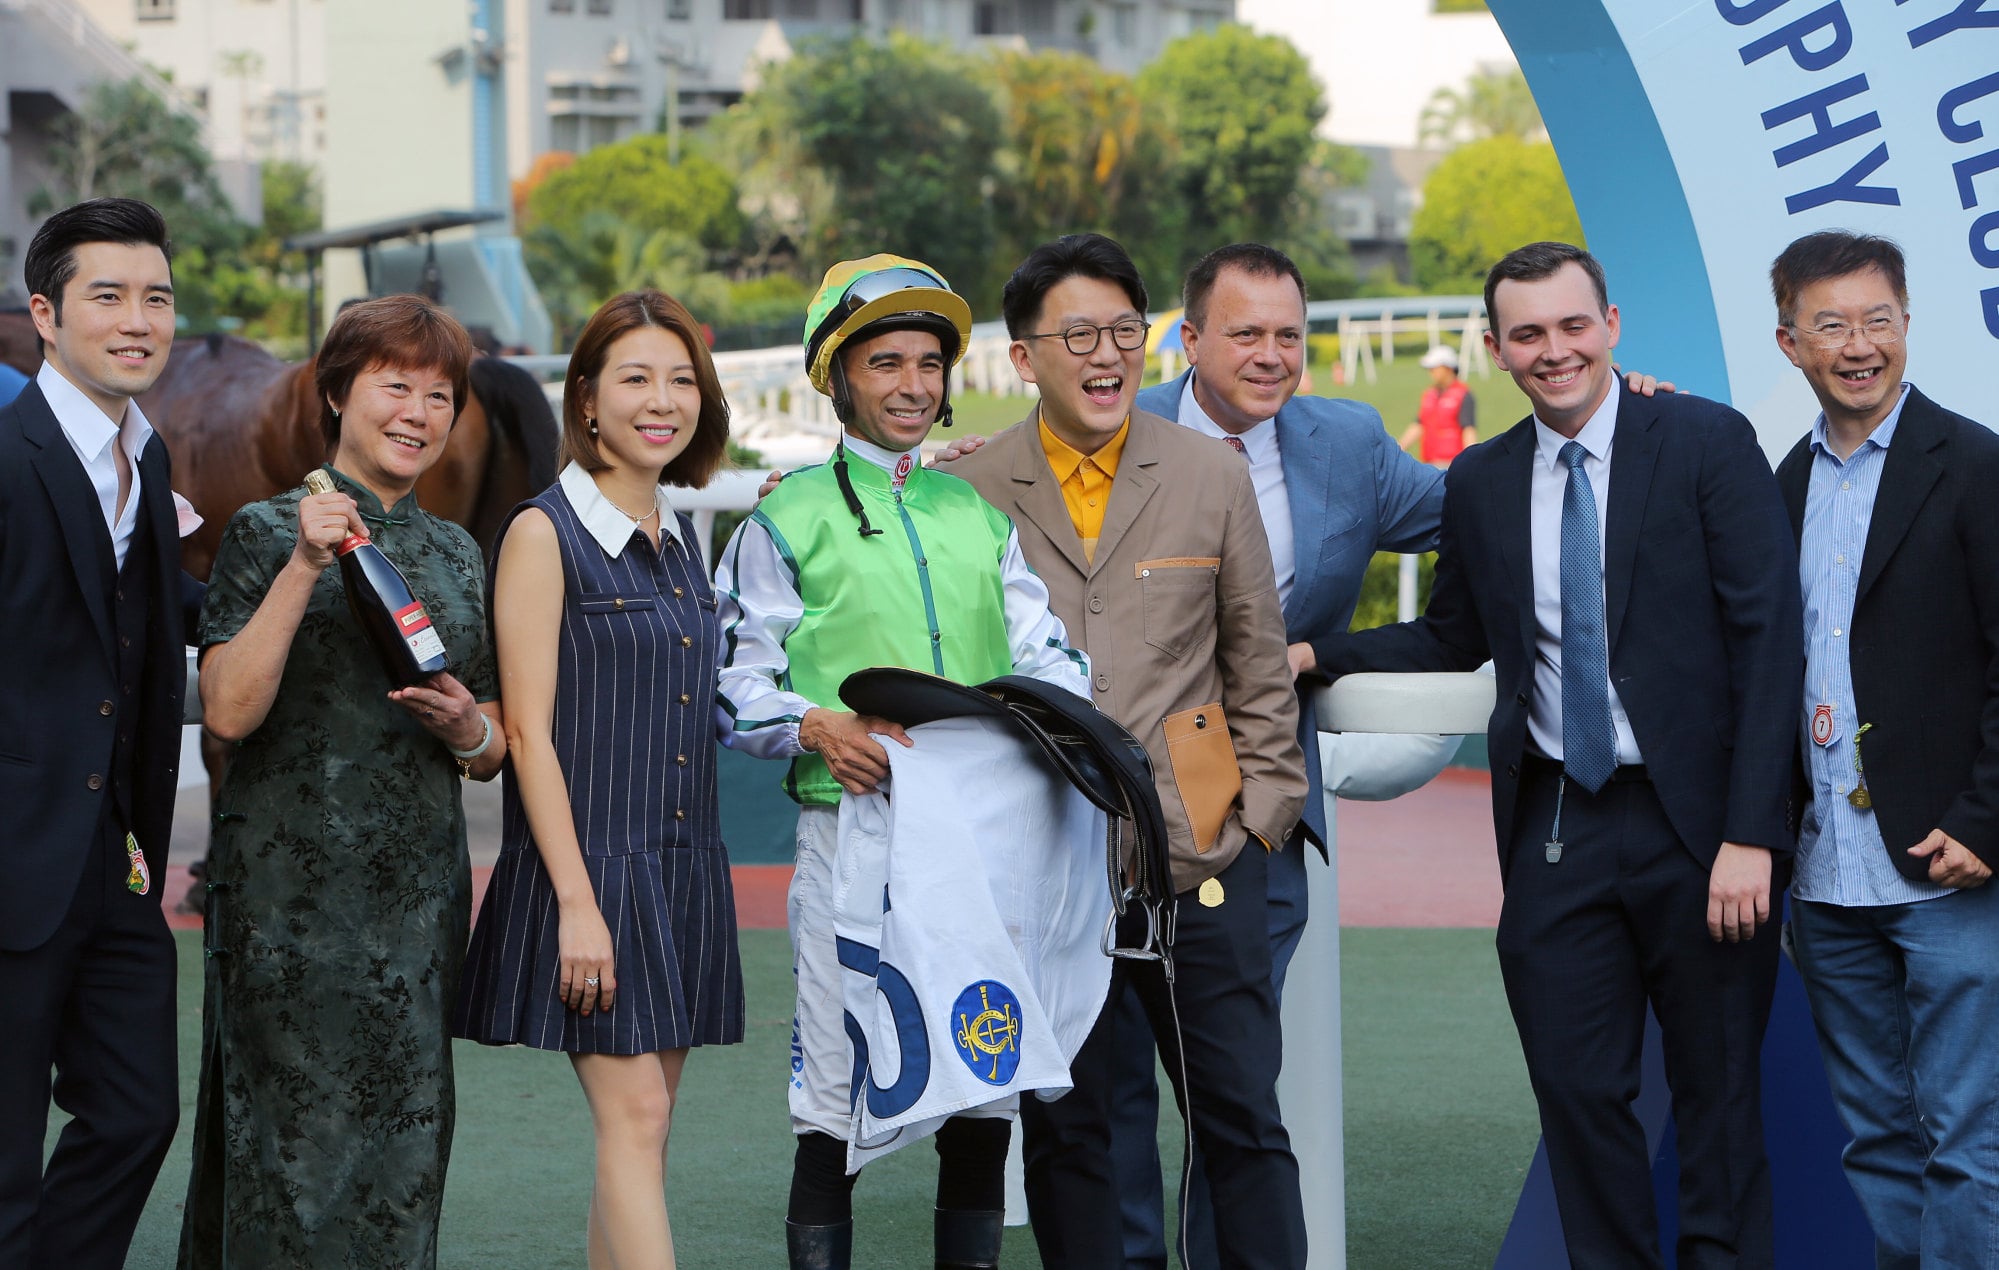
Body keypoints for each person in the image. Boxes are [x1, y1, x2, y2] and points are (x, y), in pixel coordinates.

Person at [1315, 241, 1800, 1268]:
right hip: (1558, 831)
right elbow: (1451, 636)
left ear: (1611, 325)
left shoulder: (1708, 442)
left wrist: (1752, 833)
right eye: (1527, 333)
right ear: (1495, 348)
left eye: (1572, 325)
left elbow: (1771, 645)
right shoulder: (1482, 481)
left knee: (1717, 1104)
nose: (1554, 350)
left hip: (1704, 833)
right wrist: (1317, 650)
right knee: (1579, 1096)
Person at [714, 255, 1089, 1270]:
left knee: (981, 1084)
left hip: (984, 843)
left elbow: (1051, 659)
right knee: (832, 1099)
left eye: (929, 362)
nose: (913, 385)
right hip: (854, 834)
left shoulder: (974, 515)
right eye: (885, 362)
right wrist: (814, 723)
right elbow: (734, 686)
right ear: (836, 377)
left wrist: (1065, 724)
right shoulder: (785, 518)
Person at [948, 233, 1309, 1270]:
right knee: (1077, 1132)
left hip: (1203, 853)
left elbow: (1256, 667)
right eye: (1076, 334)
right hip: (1053, 869)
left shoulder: (1208, 473)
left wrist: (1258, 821)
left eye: (1121, 330)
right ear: (1023, 358)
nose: (1105, 354)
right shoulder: (970, 493)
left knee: (1240, 1120)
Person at [179, 294, 506, 1267]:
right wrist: (303, 561)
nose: (417, 412)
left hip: (416, 899)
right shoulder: (263, 529)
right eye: (393, 385)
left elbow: (494, 745)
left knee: (406, 1144)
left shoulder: (456, 552)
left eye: (439, 394)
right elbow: (229, 710)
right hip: (285, 902)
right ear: (335, 392)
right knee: (287, 1152)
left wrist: (470, 725)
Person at [454, 289, 746, 1266]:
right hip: (591, 873)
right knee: (636, 1121)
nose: (662, 399)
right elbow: (527, 738)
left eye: (680, 380)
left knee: (644, 1132)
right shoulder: (543, 535)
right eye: (635, 378)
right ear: (584, 400)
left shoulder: (678, 534)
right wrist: (578, 905)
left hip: (681, 867)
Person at [1768, 230, 1999, 1268]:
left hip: (1947, 866)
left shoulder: (1977, 464)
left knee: (1969, 1142)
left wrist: (1985, 818)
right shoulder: (1782, 481)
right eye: (1831, 325)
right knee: (1879, 1139)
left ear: (1906, 325)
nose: (1858, 345)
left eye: (1877, 320)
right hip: (1825, 881)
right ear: (1789, 342)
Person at [0, 197, 201, 1270]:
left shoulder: (148, 456)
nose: (139, 319)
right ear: (46, 312)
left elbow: (150, 618)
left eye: (157, 298)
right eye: (108, 296)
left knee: (134, 1112)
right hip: (10, 851)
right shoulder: (10, 453)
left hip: (111, 858)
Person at [1398, 344, 1478, 463]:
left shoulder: (1463, 394)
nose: (1430, 372)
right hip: (1429, 463)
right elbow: (1419, 424)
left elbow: (1468, 430)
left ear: (1448, 368)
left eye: (1434, 368)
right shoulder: (1429, 394)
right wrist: (1398, 450)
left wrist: (1472, 461)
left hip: (1453, 463)